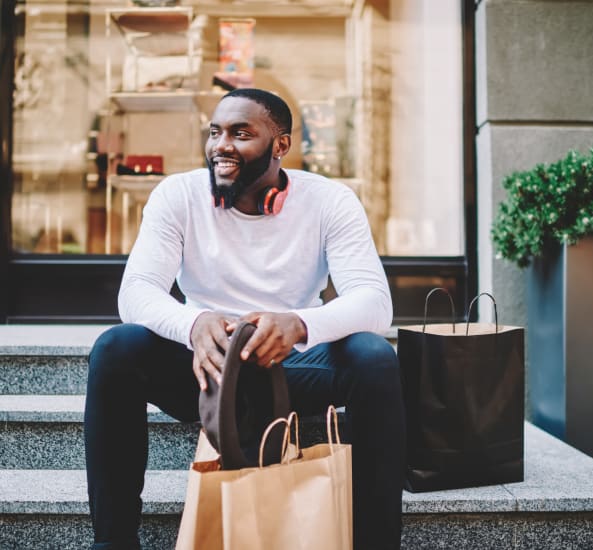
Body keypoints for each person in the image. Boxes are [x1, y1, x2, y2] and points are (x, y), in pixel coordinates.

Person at [84, 88, 406, 550]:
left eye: (241, 133)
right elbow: (135, 293)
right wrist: (193, 326)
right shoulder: (177, 195)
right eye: (215, 132)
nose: (221, 145)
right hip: (207, 372)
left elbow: (375, 302)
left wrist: (298, 324)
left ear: (281, 145)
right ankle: (113, 543)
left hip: (292, 369)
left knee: (373, 357)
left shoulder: (330, 201)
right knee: (116, 348)